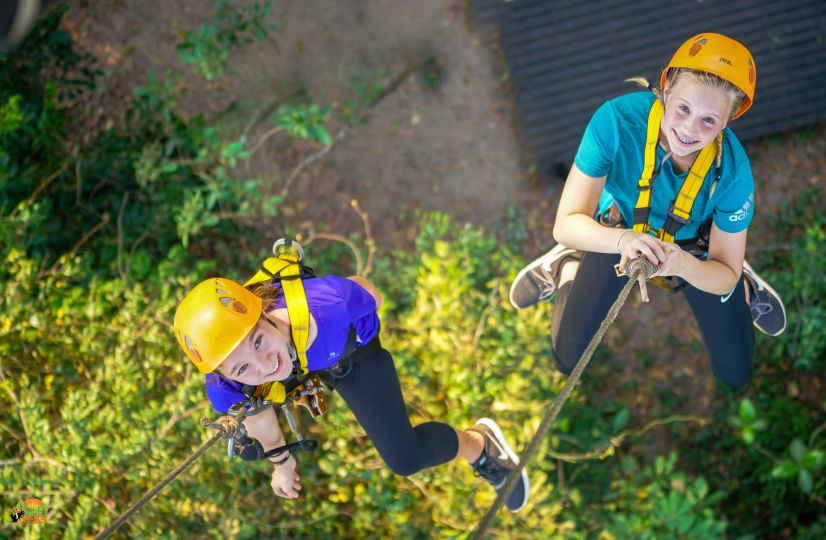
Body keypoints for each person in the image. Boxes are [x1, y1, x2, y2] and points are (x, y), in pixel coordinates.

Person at [509, 33, 786, 390]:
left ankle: (747, 287)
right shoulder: (616, 123)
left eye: (709, 121)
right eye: (684, 108)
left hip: (694, 250)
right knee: (568, 357)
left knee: (735, 372)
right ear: (666, 87)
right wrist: (622, 240)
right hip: (619, 230)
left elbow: (723, 275)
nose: (688, 130)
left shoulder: (732, 173)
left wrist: (683, 264)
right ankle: (569, 265)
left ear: (727, 121)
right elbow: (566, 223)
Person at [173, 273, 529, 511]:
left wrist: (339, 334)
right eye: (241, 368)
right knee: (270, 377)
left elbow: (368, 291)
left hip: (350, 353)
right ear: (224, 375)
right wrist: (281, 464)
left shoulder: (328, 306)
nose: (263, 365)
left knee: (405, 459)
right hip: (304, 362)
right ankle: (293, 357)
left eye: (258, 340)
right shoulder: (228, 388)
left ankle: (480, 447)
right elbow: (260, 413)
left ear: (265, 314)